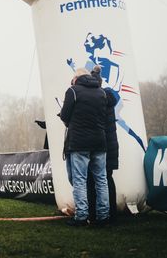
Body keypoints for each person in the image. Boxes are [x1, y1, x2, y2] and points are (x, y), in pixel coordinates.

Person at [59, 67, 109, 226]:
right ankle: (103, 216)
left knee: (79, 180)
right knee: (101, 180)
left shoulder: (72, 91)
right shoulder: (101, 92)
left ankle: (81, 216)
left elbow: (65, 115)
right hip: (99, 141)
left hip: (79, 142)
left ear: (76, 79)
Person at [87, 65, 119, 222]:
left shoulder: (97, 98)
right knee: (108, 179)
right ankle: (110, 212)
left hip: (100, 144)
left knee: (95, 180)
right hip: (111, 144)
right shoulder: (108, 97)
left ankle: (95, 213)